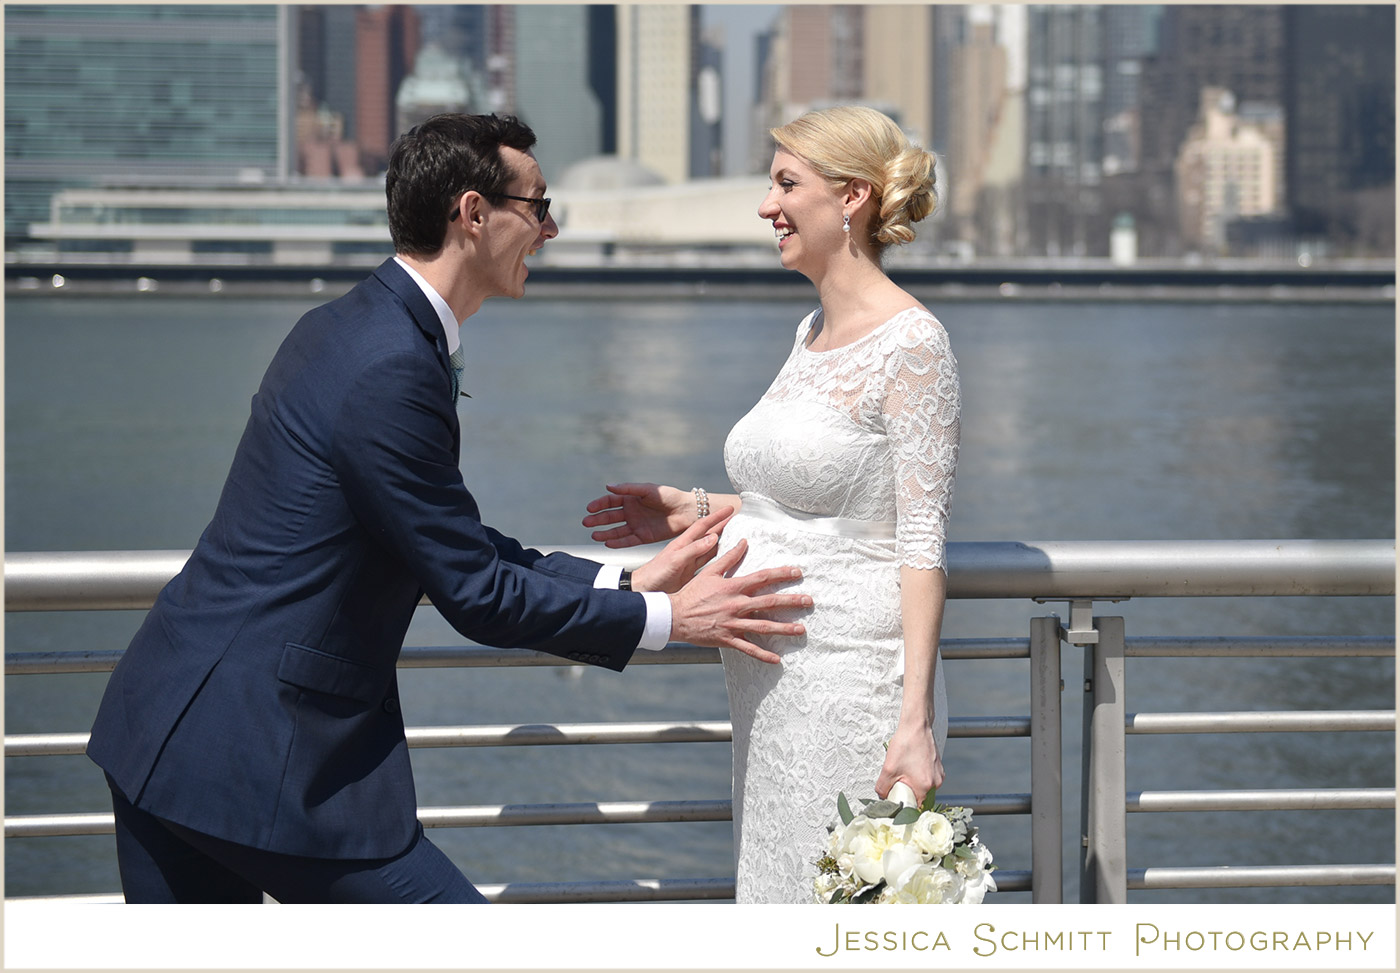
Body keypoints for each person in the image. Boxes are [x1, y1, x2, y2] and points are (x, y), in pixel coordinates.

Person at [86, 112, 812, 904]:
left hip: (171, 729)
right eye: (537, 207)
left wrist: (624, 586)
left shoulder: (356, 326)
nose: (551, 228)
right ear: (473, 214)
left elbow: (444, 536)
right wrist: (674, 619)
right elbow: (472, 590)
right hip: (262, 756)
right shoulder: (390, 365)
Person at [582, 105, 958, 903]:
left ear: (852, 197)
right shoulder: (810, 330)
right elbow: (804, 498)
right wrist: (696, 508)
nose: (765, 205)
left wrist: (914, 720)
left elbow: (919, 539)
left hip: (852, 683)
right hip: (770, 690)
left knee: (844, 916)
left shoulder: (913, 344)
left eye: (787, 183)